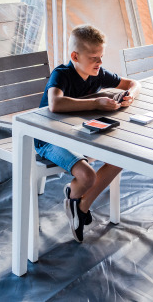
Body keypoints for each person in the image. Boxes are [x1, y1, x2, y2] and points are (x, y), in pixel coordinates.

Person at [36, 24, 141, 242]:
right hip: (48, 139)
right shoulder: (62, 74)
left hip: (78, 135)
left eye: (101, 57)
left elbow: (133, 82)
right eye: (95, 57)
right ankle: (74, 194)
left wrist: (129, 94)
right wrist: (96, 103)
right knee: (88, 176)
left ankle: (80, 206)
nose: (100, 63)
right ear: (75, 56)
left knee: (120, 157)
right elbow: (55, 104)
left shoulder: (98, 74)